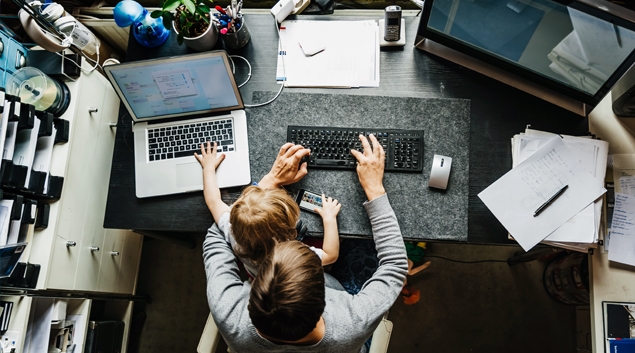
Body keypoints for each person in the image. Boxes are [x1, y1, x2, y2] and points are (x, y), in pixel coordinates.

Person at [202, 134, 408, 352]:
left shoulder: (227, 313)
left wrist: (267, 184)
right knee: (363, 245)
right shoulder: (352, 323)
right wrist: (374, 189)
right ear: (324, 300)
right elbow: (395, 265)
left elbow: (216, 236)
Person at [195, 142, 341, 276]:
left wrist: (208, 168)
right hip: (287, 274)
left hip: (257, 274)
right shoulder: (292, 256)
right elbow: (330, 255)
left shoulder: (232, 230)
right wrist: (329, 219)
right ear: (289, 231)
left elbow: (213, 201)